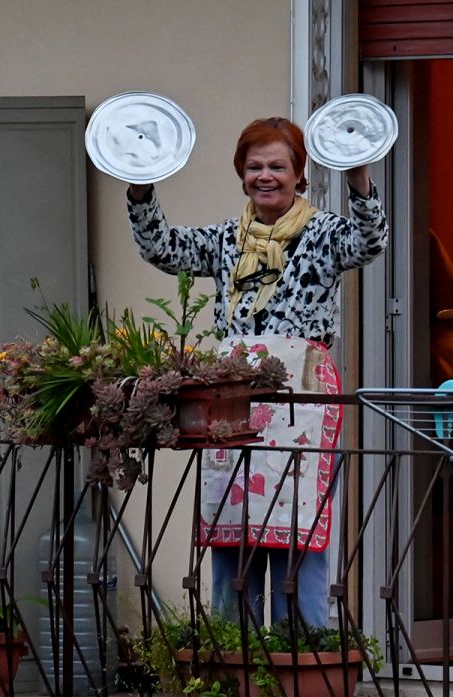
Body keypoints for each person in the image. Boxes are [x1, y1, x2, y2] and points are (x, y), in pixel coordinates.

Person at [126, 116, 388, 629]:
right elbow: (164, 250)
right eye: (254, 167)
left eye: (277, 166)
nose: (265, 176)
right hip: (233, 392)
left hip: (300, 393)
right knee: (234, 527)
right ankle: (233, 650)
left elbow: (369, 242)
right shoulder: (227, 238)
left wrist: (359, 175)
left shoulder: (324, 233)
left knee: (298, 528)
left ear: (299, 174)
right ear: (240, 173)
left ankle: (301, 650)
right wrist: (141, 184)